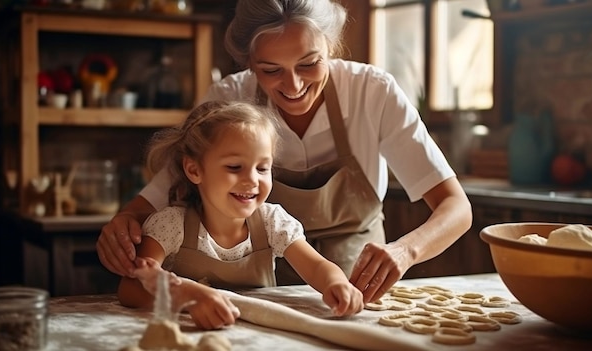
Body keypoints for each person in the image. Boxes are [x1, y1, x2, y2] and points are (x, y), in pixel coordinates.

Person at [98, 0, 472, 304]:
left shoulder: (372, 92)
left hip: (352, 285)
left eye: (309, 64)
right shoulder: (229, 98)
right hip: (256, 292)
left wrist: (406, 251)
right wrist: (123, 224)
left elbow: (456, 208)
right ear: (248, 63)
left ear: (332, 47)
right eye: (270, 70)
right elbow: (162, 191)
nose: (293, 86)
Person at [116, 100, 364, 330]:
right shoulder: (171, 225)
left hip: (260, 338)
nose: (252, 180)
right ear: (194, 169)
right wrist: (186, 297)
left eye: (262, 168)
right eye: (235, 167)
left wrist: (336, 284)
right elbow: (131, 288)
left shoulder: (272, 222)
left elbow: (317, 267)